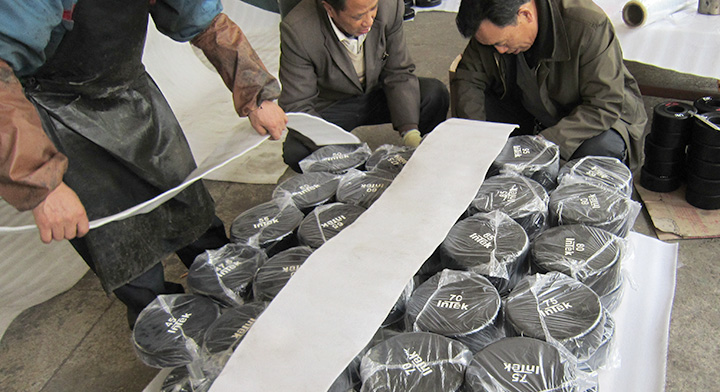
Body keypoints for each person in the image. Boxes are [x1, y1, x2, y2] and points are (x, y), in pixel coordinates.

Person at [0, 0, 287, 327]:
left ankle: (234, 284)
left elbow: (204, 20)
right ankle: (172, 328)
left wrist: (255, 94)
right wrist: (41, 182)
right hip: (61, 115)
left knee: (188, 205)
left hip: (131, 95)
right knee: (120, 244)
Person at [451, 0, 647, 169]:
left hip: (593, 117)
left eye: (503, 43)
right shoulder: (491, 26)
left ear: (525, 15)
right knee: (475, 115)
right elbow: (468, 78)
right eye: (492, 44)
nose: (499, 50)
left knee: (595, 156)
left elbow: (604, 104)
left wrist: (545, 144)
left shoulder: (588, 26)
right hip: (532, 109)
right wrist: (477, 136)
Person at [278, 0, 450, 172]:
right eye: (358, 16)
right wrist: (347, 154)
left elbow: (398, 72)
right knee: (297, 152)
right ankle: (347, 173)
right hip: (332, 104)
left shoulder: (388, 5)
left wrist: (410, 132)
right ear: (330, 9)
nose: (369, 21)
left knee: (434, 94)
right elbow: (297, 104)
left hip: (377, 90)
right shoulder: (299, 31)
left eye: (373, 9)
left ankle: (421, 157)